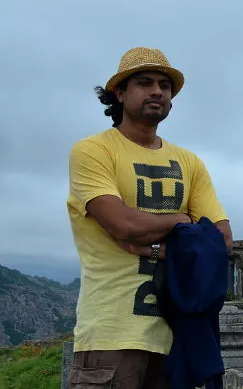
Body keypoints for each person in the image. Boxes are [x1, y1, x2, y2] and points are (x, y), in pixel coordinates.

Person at [66, 47, 234, 389]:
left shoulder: (189, 162)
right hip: (112, 336)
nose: (157, 91)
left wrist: (152, 247)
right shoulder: (94, 151)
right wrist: (180, 222)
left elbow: (220, 240)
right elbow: (122, 224)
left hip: (177, 338)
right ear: (120, 93)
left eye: (165, 85)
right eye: (144, 82)